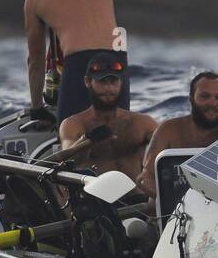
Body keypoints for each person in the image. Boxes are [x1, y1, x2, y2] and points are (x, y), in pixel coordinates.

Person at [23, 0, 131, 128]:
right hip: (118, 60)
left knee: (69, 134)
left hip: (81, 62)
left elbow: (36, 60)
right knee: (119, 135)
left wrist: (37, 108)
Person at [58, 55, 157, 183]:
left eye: (113, 82)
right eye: (102, 82)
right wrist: (88, 140)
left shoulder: (142, 123)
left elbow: (168, 147)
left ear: (121, 82)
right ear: (87, 81)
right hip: (95, 199)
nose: (109, 88)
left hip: (136, 198)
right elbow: (69, 161)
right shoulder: (73, 125)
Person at [138, 71, 218, 199]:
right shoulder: (168, 130)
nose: (213, 103)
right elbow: (146, 178)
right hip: (176, 214)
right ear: (191, 98)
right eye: (205, 96)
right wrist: (175, 202)